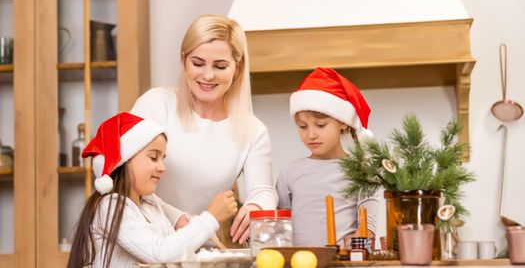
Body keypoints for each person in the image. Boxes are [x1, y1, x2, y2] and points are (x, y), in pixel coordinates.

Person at [131, 14, 278, 244]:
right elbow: (123, 177)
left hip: (199, 249)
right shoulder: (155, 105)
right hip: (144, 241)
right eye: (198, 63)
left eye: (220, 66)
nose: (208, 75)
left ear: (237, 69)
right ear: (183, 61)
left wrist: (255, 206)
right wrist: (176, 217)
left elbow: (264, 191)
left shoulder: (252, 130)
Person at [68, 112, 238, 268]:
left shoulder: (150, 207)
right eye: (153, 157)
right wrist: (211, 218)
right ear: (125, 160)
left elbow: (173, 253)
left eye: (162, 159)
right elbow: (160, 254)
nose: (162, 167)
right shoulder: (110, 207)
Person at [276, 67, 379, 247]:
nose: (311, 135)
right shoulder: (289, 172)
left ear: (343, 123)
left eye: (320, 125)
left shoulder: (362, 170)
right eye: (302, 126)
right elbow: (281, 226)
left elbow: (367, 228)